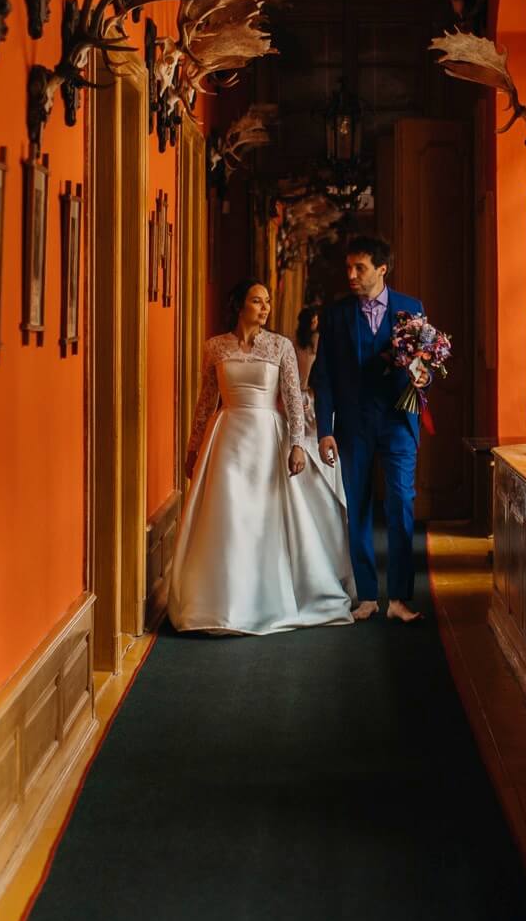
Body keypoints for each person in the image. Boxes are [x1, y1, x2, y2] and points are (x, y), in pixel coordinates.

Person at [165, 280, 353, 635]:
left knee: (266, 515)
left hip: (268, 436)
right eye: (256, 301)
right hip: (226, 438)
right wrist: (193, 448)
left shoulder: (280, 346)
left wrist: (297, 443)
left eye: (267, 302)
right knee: (229, 515)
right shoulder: (215, 348)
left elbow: (293, 398)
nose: (265, 308)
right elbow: (207, 402)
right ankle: (222, 603)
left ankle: (269, 597)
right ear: (239, 305)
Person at [311, 235, 426, 623]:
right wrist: (323, 429)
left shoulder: (411, 310)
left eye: (359, 268)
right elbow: (322, 376)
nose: (352, 275)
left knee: (400, 505)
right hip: (352, 424)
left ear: (382, 269)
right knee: (356, 507)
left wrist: (423, 376)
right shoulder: (336, 315)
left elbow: (423, 365)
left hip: (397, 422)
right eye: (349, 268)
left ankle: (399, 598)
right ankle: (366, 596)